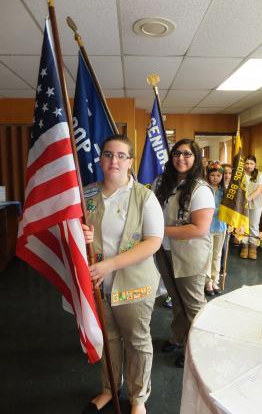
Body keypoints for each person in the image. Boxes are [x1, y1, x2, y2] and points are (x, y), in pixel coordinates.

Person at [82, 134, 164, 414]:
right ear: (101, 159)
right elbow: (79, 236)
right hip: (98, 282)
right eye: (107, 154)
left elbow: (153, 241)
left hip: (134, 284)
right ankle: (108, 388)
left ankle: (138, 397)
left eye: (120, 155)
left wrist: (111, 264)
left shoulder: (144, 196)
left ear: (130, 161)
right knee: (108, 338)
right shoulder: (88, 193)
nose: (113, 160)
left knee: (137, 340)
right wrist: (84, 236)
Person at [153, 139, 214, 368]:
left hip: (190, 255)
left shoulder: (201, 189)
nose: (181, 158)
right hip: (165, 252)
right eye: (177, 153)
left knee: (193, 304)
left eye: (187, 154)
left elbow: (199, 229)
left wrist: (156, 231)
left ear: (196, 158)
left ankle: (197, 348)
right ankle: (178, 336)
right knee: (176, 300)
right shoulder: (162, 182)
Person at [204, 163, 227, 296]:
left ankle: (215, 280)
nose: (215, 178)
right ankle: (207, 282)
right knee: (208, 255)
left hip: (221, 226)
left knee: (217, 255)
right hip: (207, 227)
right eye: (212, 175)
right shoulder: (205, 189)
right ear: (208, 175)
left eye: (218, 175)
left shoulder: (224, 191)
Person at [240, 155, 262, 260]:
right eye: (247, 163)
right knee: (243, 225)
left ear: (255, 165)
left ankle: (253, 247)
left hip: (256, 203)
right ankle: (244, 246)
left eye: (251, 163)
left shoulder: (260, 174)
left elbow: (259, 190)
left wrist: (248, 199)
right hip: (242, 203)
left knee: (254, 225)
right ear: (244, 164)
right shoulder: (240, 174)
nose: (249, 166)